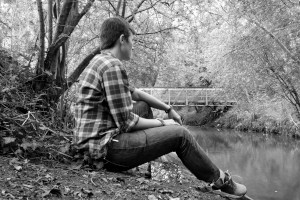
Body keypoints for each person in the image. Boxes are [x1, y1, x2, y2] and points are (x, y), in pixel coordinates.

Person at [74, 17, 247, 197]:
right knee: (181, 135)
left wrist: (167, 108)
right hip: (103, 152)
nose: (133, 45)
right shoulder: (112, 66)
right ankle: (219, 181)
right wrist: (164, 123)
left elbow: (137, 95)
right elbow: (127, 122)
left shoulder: (100, 61)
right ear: (122, 39)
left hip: (92, 145)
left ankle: (148, 159)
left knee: (142, 105)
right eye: (132, 40)